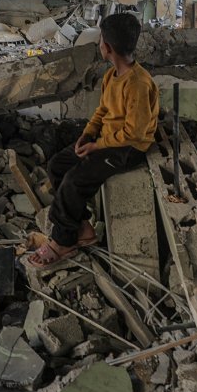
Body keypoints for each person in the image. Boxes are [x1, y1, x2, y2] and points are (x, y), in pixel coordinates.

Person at [27, 13, 159, 269]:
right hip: (105, 139)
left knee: (73, 182)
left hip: (128, 149)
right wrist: (87, 135)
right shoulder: (112, 76)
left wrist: (97, 146)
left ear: (107, 48)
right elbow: (102, 112)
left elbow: (134, 132)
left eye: (100, 40)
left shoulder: (138, 84)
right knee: (57, 165)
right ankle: (83, 227)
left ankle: (63, 241)